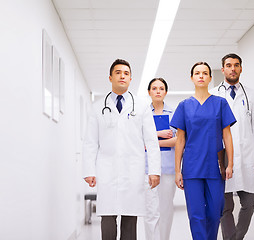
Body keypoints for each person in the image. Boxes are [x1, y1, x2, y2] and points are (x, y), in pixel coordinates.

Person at [82, 59, 161, 240]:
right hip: (107, 169)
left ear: (131, 78)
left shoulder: (141, 106)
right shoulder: (97, 107)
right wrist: (89, 170)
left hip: (133, 169)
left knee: (130, 217)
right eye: (118, 72)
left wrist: (154, 171)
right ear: (110, 77)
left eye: (126, 73)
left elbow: (151, 140)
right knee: (107, 218)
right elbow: (90, 142)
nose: (122, 76)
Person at [170, 61, 236, 240]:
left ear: (210, 78)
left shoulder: (220, 103)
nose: (201, 76)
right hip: (192, 168)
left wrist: (230, 164)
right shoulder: (184, 106)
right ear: (192, 78)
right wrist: (177, 171)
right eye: (197, 73)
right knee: (196, 216)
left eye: (205, 73)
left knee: (215, 214)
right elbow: (180, 140)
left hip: (215, 167)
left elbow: (227, 136)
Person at [210, 53, 254, 240]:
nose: (232, 68)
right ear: (223, 69)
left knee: (249, 202)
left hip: (246, 155)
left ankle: (236, 238)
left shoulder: (251, 95)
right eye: (229, 65)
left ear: (241, 68)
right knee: (225, 205)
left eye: (236, 65)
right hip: (223, 156)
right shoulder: (213, 94)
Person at [144, 78, 177, 240]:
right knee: (150, 210)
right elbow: (138, 140)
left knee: (166, 209)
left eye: (161, 88)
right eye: (154, 88)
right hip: (148, 169)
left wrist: (152, 142)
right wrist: (159, 134)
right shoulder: (142, 113)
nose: (158, 91)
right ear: (149, 92)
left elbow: (178, 141)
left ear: (165, 92)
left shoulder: (174, 114)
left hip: (168, 168)